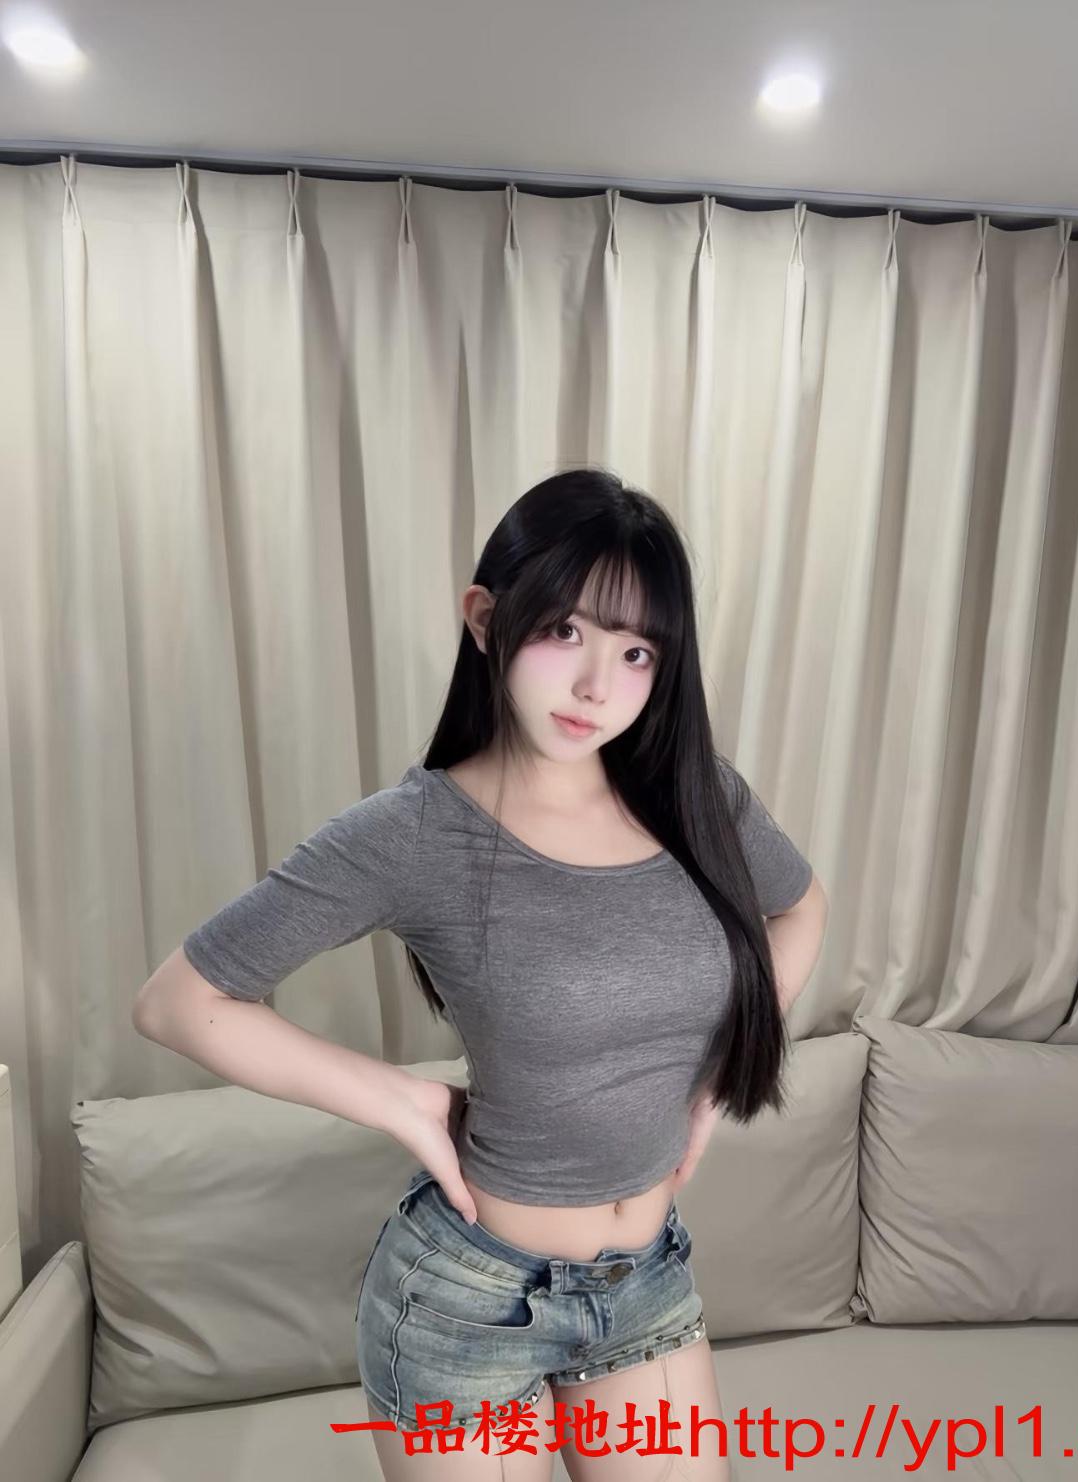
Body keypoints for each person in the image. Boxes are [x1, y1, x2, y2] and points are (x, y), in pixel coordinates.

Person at [133, 468, 823, 1480]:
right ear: (488, 621)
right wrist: (400, 1100)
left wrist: (712, 1083)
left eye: (636, 652)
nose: (597, 687)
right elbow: (176, 1002)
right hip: (467, 1303)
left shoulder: (698, 798)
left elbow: (800, 908)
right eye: (567, 633)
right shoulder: (414, 833)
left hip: (645, 1282)